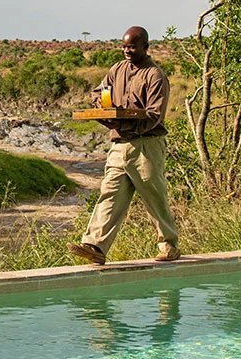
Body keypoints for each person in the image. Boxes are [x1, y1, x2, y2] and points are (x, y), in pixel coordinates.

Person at [68, 26, 180, 265]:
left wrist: (125, 124)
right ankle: (95, 246)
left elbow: (154, 115)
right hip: (119, 144)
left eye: (132, 46)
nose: (127, 51)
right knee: (110, 193)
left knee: (154, 195)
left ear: (145, 47)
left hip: (146, 145)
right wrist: (101, 105)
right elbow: (99, 92)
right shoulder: (117, 70)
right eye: (124, 46)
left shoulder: (155, 75)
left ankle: (169, 246)